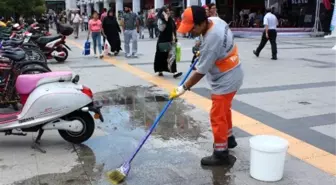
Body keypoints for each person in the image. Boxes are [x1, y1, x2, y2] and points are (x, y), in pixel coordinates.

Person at [169, 6, 244, 166]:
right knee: (224, 111)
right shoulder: (216, 21)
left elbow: (200, 71)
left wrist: (183, 88)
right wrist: (200, 47)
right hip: (234, 71)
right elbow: (209, 44)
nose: (191, 31)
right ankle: (229, 139)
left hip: (226, 79)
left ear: (202, 23)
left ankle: (221, 153)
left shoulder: (212, 40)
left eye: (193, 28)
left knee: (217, 115)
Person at [153, 6, 183, 78]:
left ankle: (174, 72)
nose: (168, 12)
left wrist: (175, 38)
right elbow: (161, 29)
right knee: (161, 56)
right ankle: (160, 70)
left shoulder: (171, 19)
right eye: (166, 11)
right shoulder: (160, 20)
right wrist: (165, 20)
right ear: (163, 13)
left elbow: (173, 30)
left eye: (168, 11)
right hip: (163, 41)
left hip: (171, 40)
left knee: (172, 56)